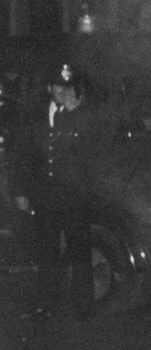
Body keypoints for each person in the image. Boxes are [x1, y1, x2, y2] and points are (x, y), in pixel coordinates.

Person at [10, 62, 110, 316]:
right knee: (47, 252)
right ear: (48, 88)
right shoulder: (36, 116)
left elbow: (96, 151)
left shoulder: (84, 115)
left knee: (79, 252)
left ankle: (84, 306)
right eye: (57, 86)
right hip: (44, 195)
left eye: (67, 86)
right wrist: (21, 192)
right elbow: (23, 156)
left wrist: (78, 114)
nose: (61, 91)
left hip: (73, 197)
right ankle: (48, 303)